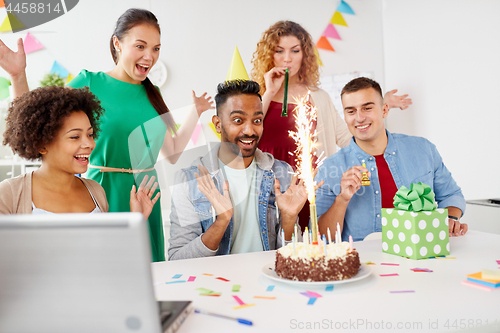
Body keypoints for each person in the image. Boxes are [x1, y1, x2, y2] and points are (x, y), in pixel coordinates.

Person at [0, 8, 214, 261]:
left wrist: (196, 112)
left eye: (156, 49)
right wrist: (17, 75)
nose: (149, 56)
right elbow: (34, 120)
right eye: (140, 46)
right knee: (106, 264)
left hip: (147, 194)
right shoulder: (90, 82)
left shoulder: (153, 93)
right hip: (104, 188)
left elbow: (172, 152)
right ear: (117, 44)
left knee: (148, 271)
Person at [251, 20, 412, 231]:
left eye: (295, 50)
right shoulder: (257, 97)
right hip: (269, 192)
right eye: (279, 51)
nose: (287, 58)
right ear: (269, 55)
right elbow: (247, 135)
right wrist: (269, 92)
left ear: (304, 54)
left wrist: (381, 105)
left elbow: (349, 139)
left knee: (308, 250)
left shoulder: (319, 97)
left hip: (311, 191)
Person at [168, 80, 323, 260]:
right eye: (238, 120)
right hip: (217, 284)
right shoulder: (189, 181)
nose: (250, 130)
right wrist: (221, 222)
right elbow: (177, 259)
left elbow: (292, 257)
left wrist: (289, 218)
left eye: (257, 120)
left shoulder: (281, 173)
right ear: (218, 124)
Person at [315, 77, 467, 242]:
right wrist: (342, 199)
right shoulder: (329, 169)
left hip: (420, 256)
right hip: (365, 264)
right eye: (351, 111)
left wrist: (451, 219)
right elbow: (323, 236)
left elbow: (451, 195)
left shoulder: (423, 150)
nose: (359, 118)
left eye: (367, 108)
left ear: (384, 110)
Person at [0, 86, 159, 218]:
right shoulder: (9, 193)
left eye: (90, 135)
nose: (89, 144)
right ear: (42, 144)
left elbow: (106, 254)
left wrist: (138, 219)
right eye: (75, 136)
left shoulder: (96, 191)